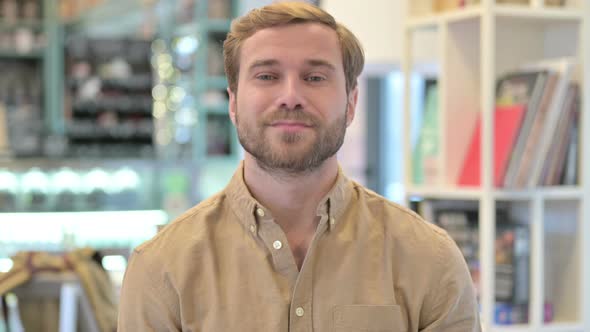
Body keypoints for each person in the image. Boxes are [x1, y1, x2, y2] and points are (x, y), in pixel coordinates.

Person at [117, 2, 481, 331]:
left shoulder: (429, 260)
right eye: (267, 76)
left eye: (315, 77)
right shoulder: (161, 269)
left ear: (352, 102)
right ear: (233, 102)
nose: (291, 96)